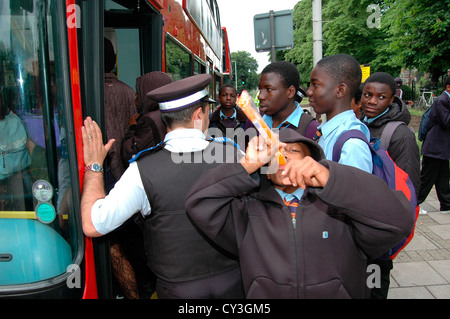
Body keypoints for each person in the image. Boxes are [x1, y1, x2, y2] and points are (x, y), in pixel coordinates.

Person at [185, 128, 415, 299]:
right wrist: (245, 165)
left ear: (312, 161)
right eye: (274, 152)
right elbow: (199, 203)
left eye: (293, 150)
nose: (282, 156)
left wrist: (331, 179)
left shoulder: (341, 208)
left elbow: (398, 221)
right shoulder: (246, 210)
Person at [80, 74, 245, 299]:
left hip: (176, 291)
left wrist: (94, 166)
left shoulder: (142, 169)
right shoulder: (235, 156)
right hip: (235, 284)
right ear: (199, 114)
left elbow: (92, 224)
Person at [360, 71, 420, 299]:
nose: (372, 101)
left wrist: (392, 236)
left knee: (374, 284)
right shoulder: (360, 124)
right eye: (367, 94)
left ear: (392, 99)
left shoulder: (399, 135)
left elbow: (410, 188)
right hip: (361, 223)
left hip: (381, 229)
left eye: (380, 97)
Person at [306, 54, 372, 173]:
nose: (309, 92)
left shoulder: (352, 145)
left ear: (340, 91)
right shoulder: (326, 132)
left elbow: (354, 190)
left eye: (315, 85)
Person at [248, 61, 319, 140]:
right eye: (260, 89)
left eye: (269, 89)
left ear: (290, 92)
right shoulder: (254, 124)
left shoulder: (311, 131)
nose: (260, 96)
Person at [121, 71, 173, 167]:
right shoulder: (172, 113)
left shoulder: (150, 120)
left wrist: (132, 128)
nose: (135, 98)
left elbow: (129, 154)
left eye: (138, 94)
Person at [417, 76, 450, 213]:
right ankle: (414, 203)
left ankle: (447, 205)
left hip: (441, 148)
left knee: (443, 178)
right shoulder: (442, 100)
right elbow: (446, 121)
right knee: (426, 178)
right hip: (434, 147)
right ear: (448, 87)